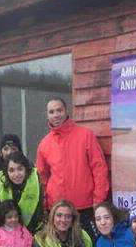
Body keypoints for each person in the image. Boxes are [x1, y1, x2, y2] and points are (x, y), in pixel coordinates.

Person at [35, 97, 109, 239]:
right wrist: (44, 206)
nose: (56, 115)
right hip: (56, 210)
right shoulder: (44, 144)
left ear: (66, 111)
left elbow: (99, 168)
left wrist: (98, 200)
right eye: (51, 112)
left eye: (59, 110)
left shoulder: (85, 135)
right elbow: (41, 178)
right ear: (47, 115)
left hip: (85, 207)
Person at [0, 151, 44, 234]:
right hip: (6, 234)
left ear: (26, 169)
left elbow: (40, 213)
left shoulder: (35, 182)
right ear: (6, 172)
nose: (16, 174)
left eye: (20, 169)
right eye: (11, 170)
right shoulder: (0, 185)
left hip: (32, 233)